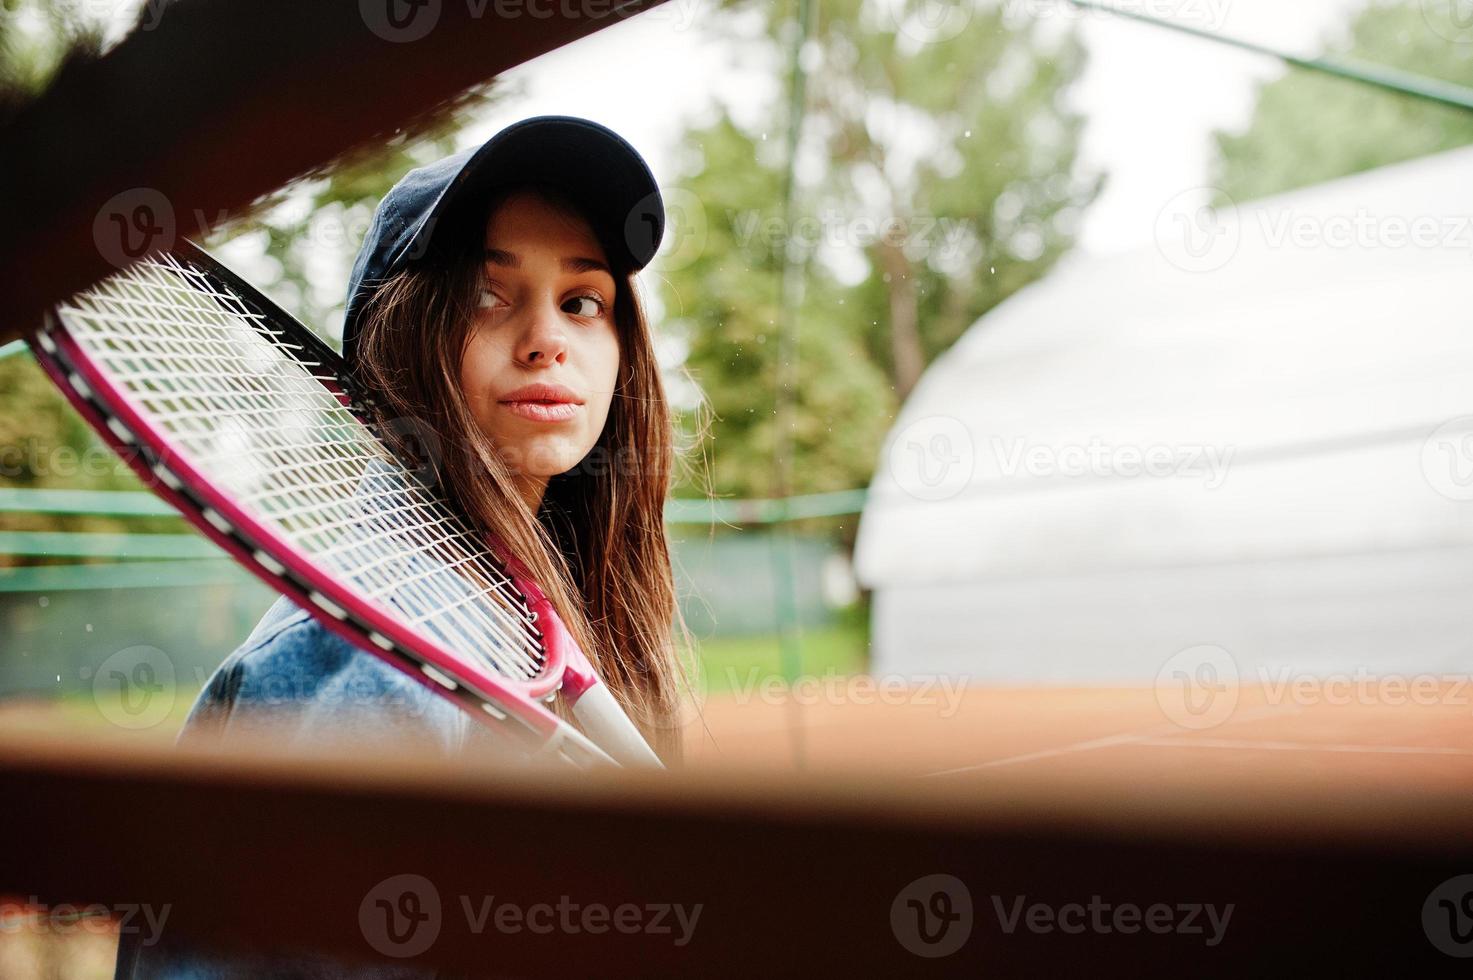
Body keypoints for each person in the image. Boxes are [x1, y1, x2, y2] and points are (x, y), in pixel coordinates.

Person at [114, 114, 693, 979]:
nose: (547, 338)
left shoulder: (534, 599)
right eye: (485, 296)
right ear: (401, 342)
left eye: (583, 300)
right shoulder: (373, 653)